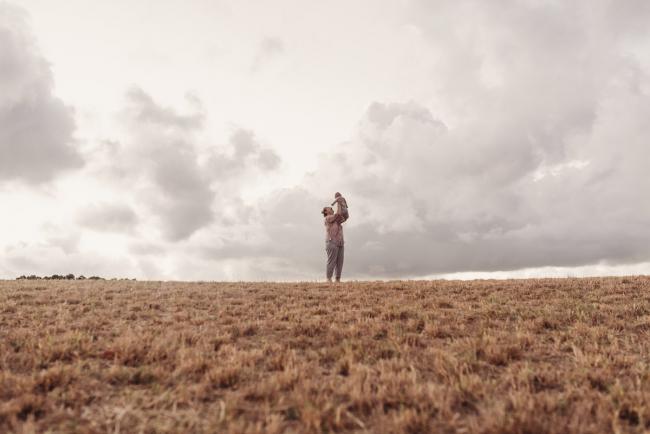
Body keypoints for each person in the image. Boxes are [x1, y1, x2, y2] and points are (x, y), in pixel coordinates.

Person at [322, 206, 345, 282]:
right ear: (326, 212)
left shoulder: (336, 220)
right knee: (332, 261)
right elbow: (337, 214)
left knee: (340, 262)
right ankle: (328, 279)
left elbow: (343, 217)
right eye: (330, 208)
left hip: (340, 242)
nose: (332, 208)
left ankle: (337, 279)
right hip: (331, 242)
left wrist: (342, 205)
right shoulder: (328, 218)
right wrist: (339, 204)